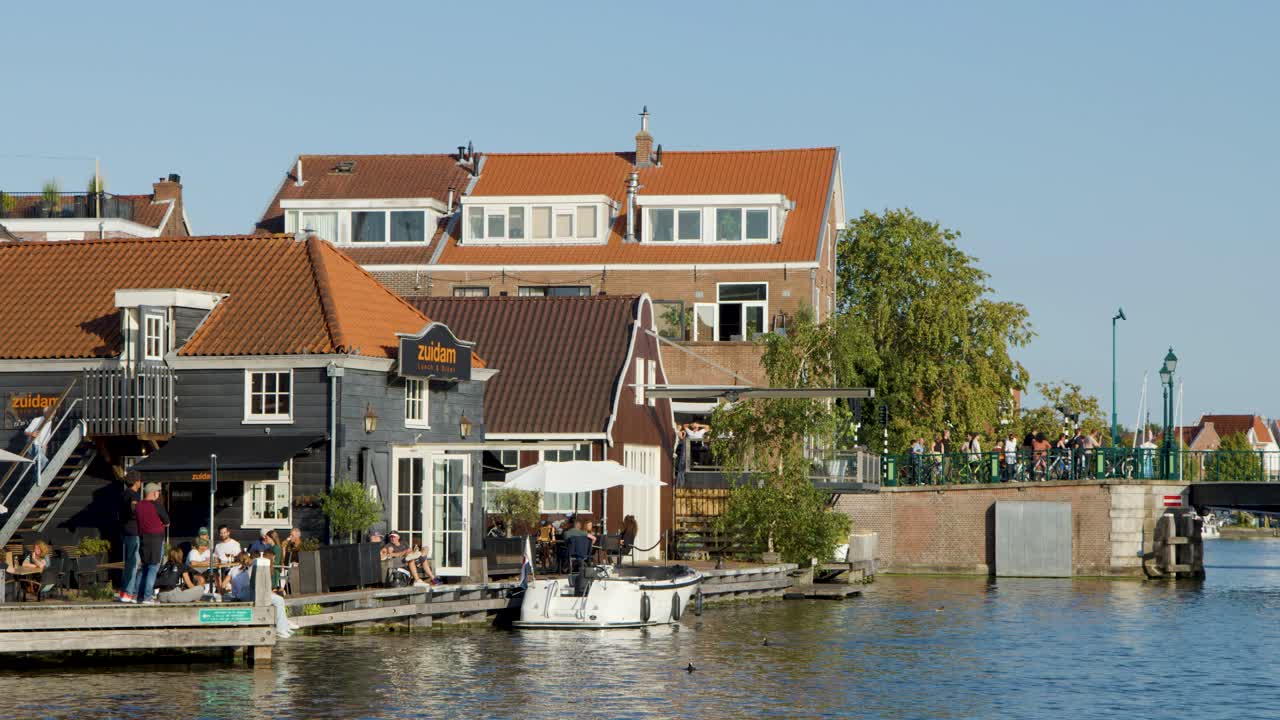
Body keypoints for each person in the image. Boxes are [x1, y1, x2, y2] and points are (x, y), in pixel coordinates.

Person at [133, 482, 170, 604]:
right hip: (155, 539)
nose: (159, 494)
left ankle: (138, 596)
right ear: (154, 493)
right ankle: (148, 597)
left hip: (143, 538)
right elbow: (167, 522)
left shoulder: (138, 506)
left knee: (144, 568)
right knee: (153, 568)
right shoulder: (157, 505)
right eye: (158, 492)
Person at [116, 473, 142, 603]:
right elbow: (134, 509)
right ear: (137, 482)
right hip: (133, 531)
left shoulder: (123, 494)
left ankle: (124, 591)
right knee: (133, 563)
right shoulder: (133, 494)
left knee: (130, 562)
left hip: (125, 531)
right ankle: (128, 593)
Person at [24, 405, 54, 479]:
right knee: (44, 461)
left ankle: (35, 483)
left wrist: (45, 449)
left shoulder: (51, 423)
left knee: (39, 466)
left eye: (53, 414)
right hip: (34, 445)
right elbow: (25, 431)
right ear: (45, 413)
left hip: (42, 447)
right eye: (51, 413)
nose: (52, 415)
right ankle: (36, 479)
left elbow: (46, 440)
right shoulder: (37, 420)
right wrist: (32, 434)